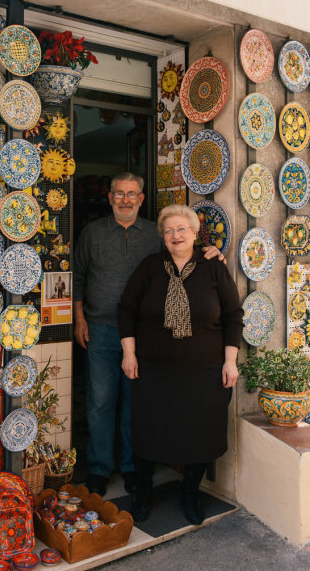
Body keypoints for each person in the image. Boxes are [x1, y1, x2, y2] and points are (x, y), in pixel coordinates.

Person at [73, 173, 223, 497]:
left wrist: (213, 252)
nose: (125, 199)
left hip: (143, 334)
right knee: (100, 402)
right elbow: (79, 279)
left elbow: (184, 254)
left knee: (134, 403)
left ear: (141, 199)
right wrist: (79, 319)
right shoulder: (92, 233)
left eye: (132, 194)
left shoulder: (155, 234)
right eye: (119, 193)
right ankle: (99, 469)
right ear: (109, 196)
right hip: (99, 330)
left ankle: (130, 467)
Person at [118, 204, 243, 524]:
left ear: (194, 233)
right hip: (154, 372)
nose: (175, 235)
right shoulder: (150, 267)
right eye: (169, 230)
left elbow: (232, 315)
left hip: (204, 373)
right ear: (163, 236)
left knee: (201, 434)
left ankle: (190, 493)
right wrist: (129, 353)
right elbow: (127, 310)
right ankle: (143, 494)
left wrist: (230, 361)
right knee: (148, 432)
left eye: (182, 229)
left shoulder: (213, 266)